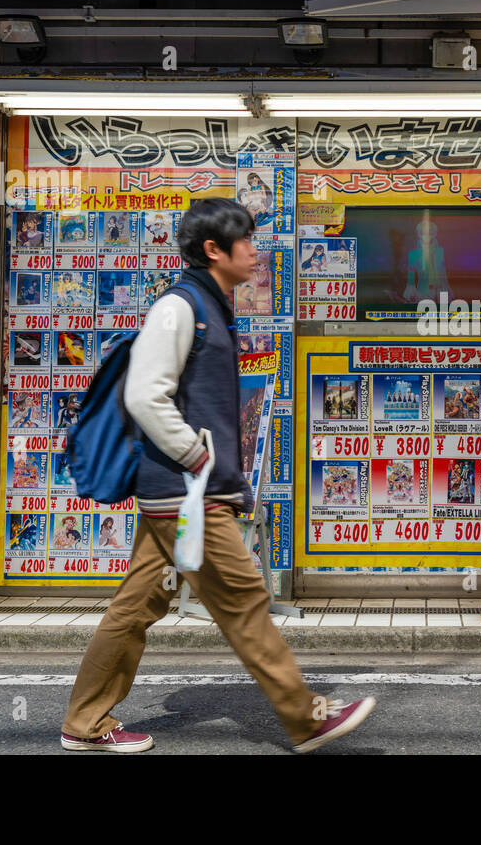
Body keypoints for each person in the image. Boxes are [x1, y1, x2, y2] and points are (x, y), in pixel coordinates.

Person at [61, 198, 374, 754]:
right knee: (245, 599)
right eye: (246, 240)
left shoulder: (209, 306)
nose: (256, 250)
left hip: (180, 494)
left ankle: (85, 722)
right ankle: (307, 717)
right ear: (214, 249)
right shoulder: (180, 308)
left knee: (137, 606)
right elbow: (142, 394)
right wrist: (195, 456)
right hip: (186, 493)